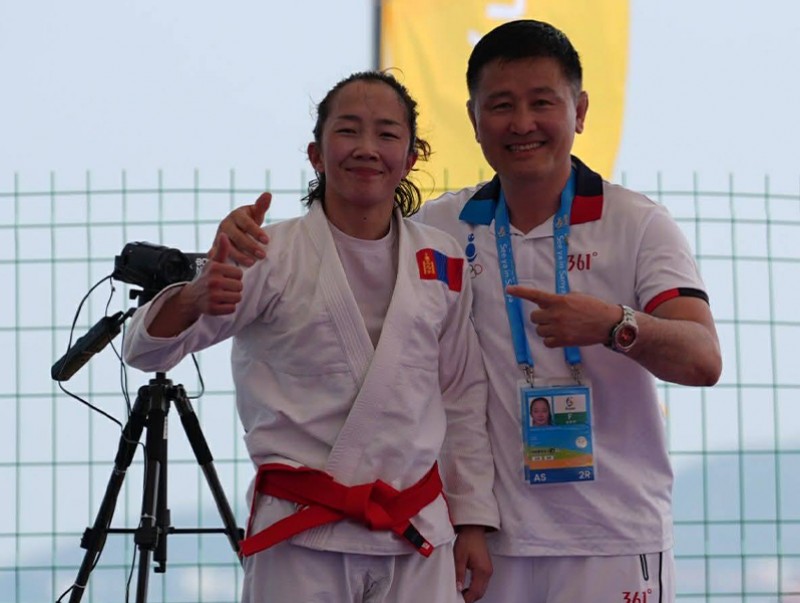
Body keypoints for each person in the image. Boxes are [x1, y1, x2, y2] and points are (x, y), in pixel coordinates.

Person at [214, 20, 722, 603]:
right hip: (484, 544)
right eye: (501, 106)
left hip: (612, 536)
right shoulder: (439, 232)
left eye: (542, 103)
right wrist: (238, 240)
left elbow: (703, 359)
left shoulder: (638, 224)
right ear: (474, 119)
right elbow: (332, 250)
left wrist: (614, 324)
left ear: (579, 111)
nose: (522, 123)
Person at [123, 71, 499, 603]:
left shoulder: (442, 258)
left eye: (387, 134)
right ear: (316, 154)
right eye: (348, 130)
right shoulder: (266, 254)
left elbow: (461, 395)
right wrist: (193, 297)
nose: (367, 148)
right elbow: (143, 350)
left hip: (416, 532)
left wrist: (473, 521)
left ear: (410, 157)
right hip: (301, 534)